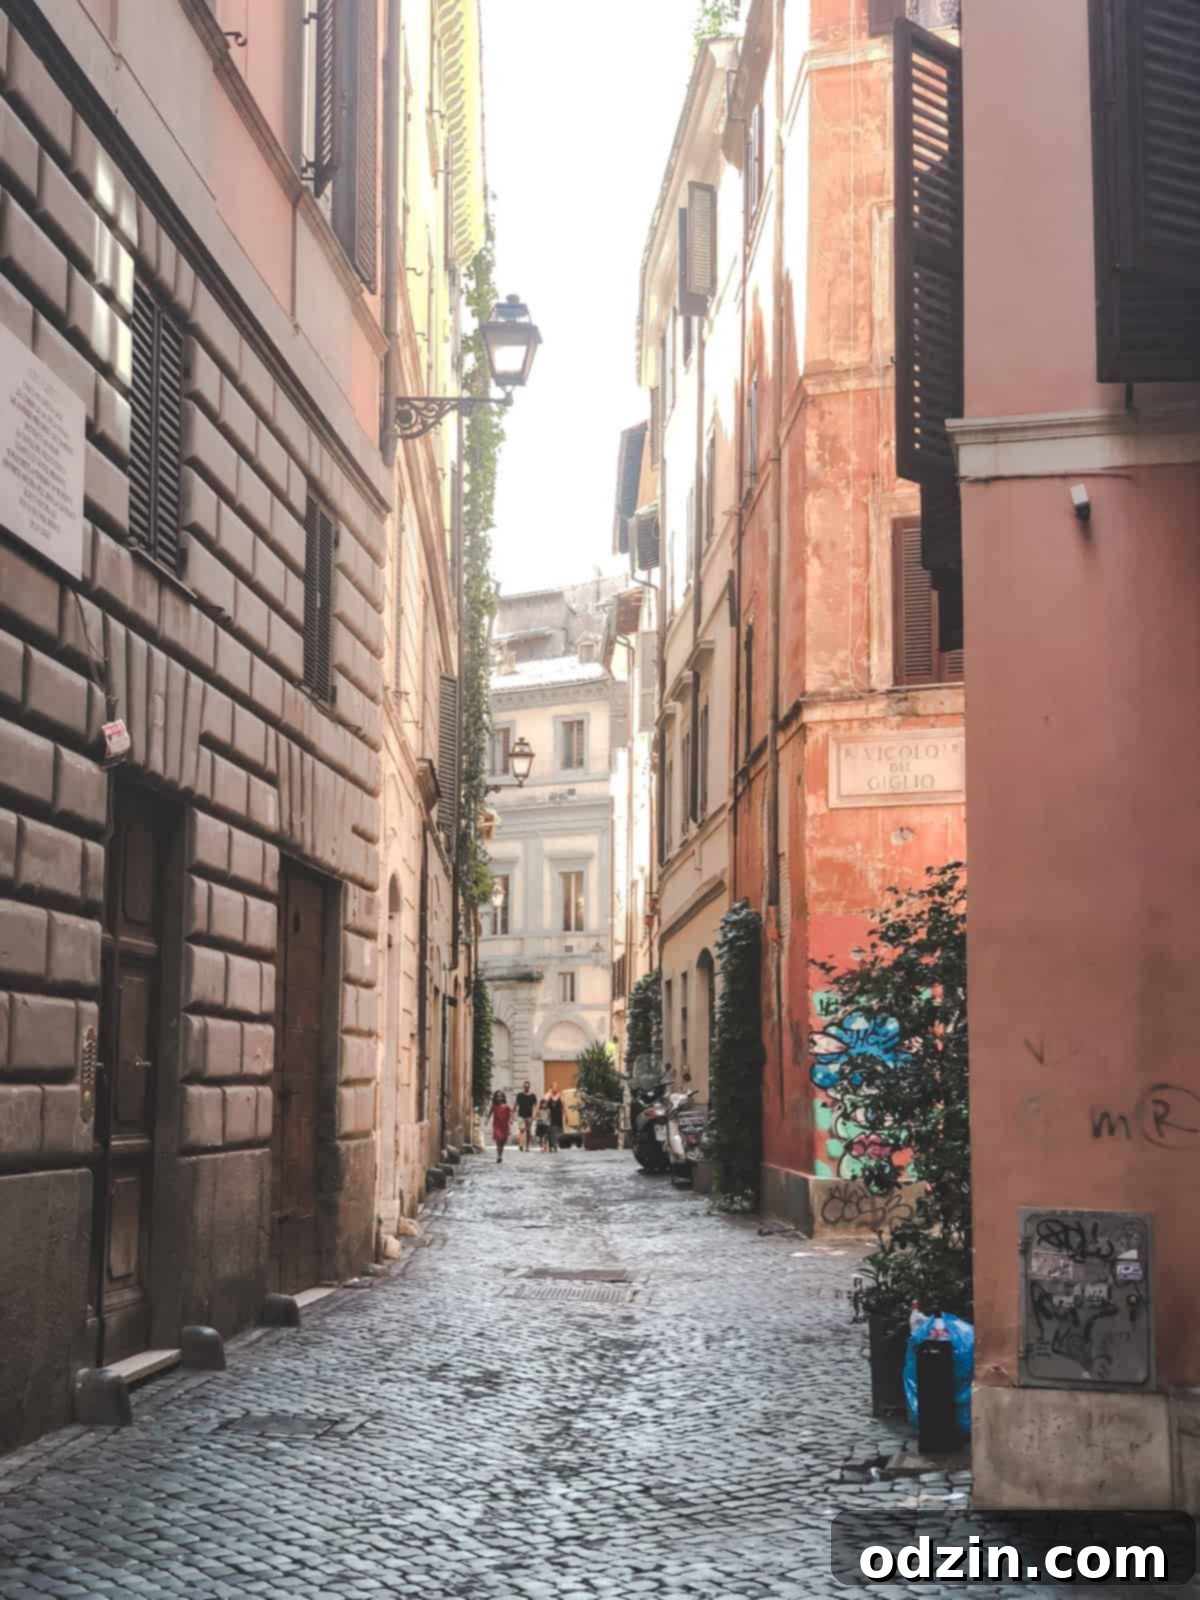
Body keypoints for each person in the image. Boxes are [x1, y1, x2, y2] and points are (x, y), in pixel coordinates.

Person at [488, 1090, 512, 1163]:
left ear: (503, 1097)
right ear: (495, 1098)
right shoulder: (494, 1106)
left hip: (504, 1126)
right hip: (497, 1125)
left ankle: (500, 1154)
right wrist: (487, 1120)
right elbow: (490, 1113)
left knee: (502, 1142)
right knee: (498, 1140)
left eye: (501, 1096)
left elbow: (510, 1115)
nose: (499, 1098)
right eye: (497, 1096)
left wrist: (510, 1121)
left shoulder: (507, 1107)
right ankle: (499, 1156)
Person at [515, 1080, 538, 1152]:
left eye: (527, 1086)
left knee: (528, 1132)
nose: (526, 1087)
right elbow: (515, 1105)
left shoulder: (533, 1096)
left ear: (529, 1087)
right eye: (525, 1086)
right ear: (523, 1087)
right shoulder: (519, 1095)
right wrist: (512, 1114)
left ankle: (527, 1146)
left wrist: (535, 1114)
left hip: (529, 1116)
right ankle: (521, 1144)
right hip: (521, 1115)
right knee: (522, 1130)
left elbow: (535, 1106)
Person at [546, 1085, 565, 1153]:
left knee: (557, 1131)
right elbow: (545, 1103)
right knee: (551, 1131)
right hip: (551, 1117)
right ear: (551, 1089)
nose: (555, 1089)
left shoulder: (560, 1096)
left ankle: (555, 1145)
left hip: (558, 1116)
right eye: (553, 1088)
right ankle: (552, 1145)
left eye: (556, 1087)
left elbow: (563, 1106)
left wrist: (565, 1116)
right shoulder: (549, 1097)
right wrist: (549, 1093)